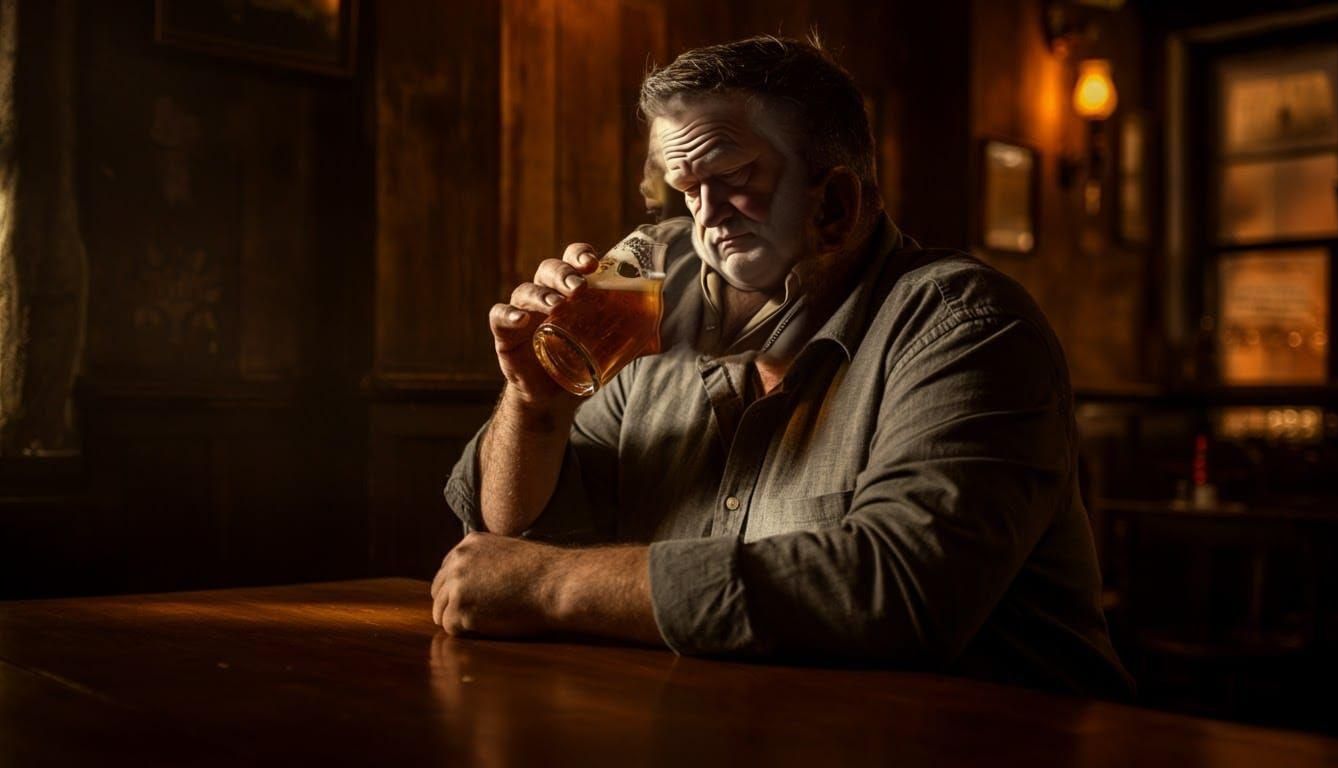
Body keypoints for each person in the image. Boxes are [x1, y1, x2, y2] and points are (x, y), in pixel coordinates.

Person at [435, 35, 1134, 699]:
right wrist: (537, 408)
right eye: (685, 190)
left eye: (735, 181)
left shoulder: (966, 326)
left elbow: (897, 593)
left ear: (833, 204)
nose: (702, 224)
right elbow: (510, 528)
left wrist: (555, 587)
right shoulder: (658, 317)